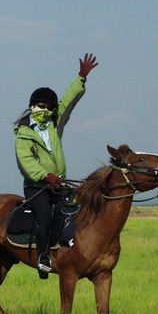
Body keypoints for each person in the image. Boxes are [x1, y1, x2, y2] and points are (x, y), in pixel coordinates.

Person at [14, 53, 98, 277]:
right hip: (37, 186)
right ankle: (43, 257)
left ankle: (69, 253)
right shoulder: (23, 134)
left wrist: (81, 77)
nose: (44, 109)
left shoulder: (54, 124)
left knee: (74, 212)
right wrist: (45, 176)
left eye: (48, 107)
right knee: (44, 217)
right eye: (40, 105)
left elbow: (68, 101)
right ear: (32, 106)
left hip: (58, 183)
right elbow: (26, 162)